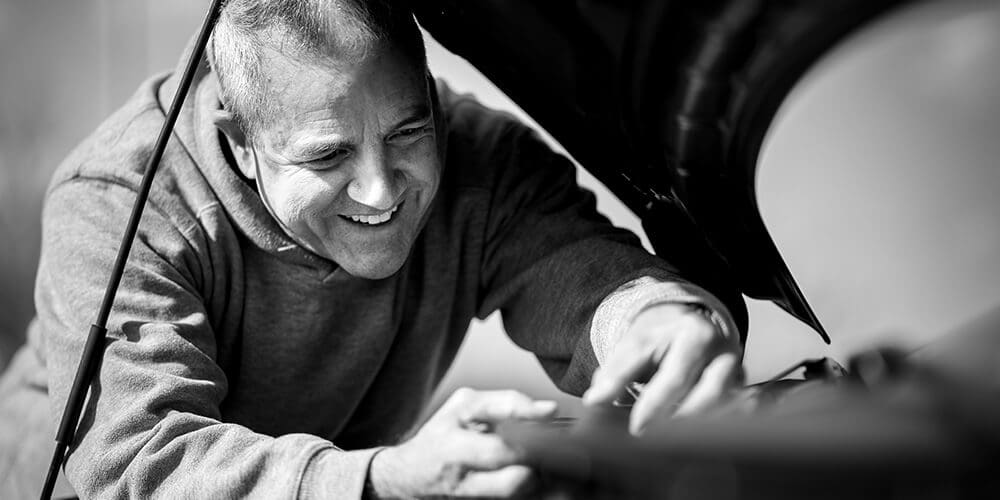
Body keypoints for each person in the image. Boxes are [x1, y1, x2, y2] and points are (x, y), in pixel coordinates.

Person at [0, 0, 746, 497]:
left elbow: (585, 275)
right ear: (242, 141)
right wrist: (381, 481)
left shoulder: (478, 159)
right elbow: (141, 461)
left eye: (408, 132)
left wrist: (654, 317)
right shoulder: (116, 203)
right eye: (327, 156)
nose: (381, 189)